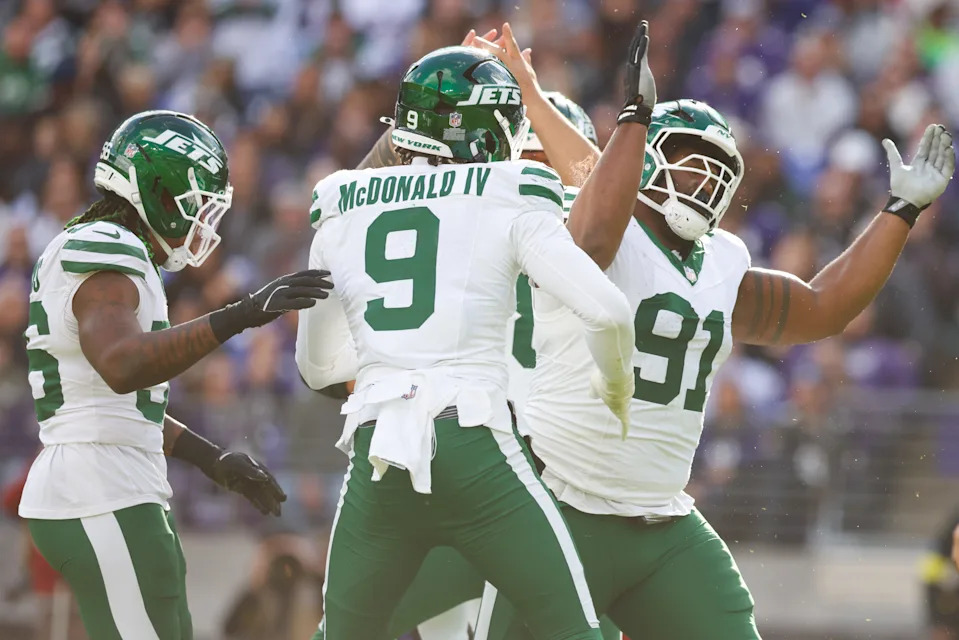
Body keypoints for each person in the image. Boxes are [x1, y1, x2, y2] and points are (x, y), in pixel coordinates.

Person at [476, 18, 956, 640]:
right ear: (645, 159)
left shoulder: (721, 263)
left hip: (661, 519)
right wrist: (630, 117)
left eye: (715, 168)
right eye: (688, 163)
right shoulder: (593, 226)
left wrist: (900, 211)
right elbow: (593, 228)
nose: (703, 180)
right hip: (558, 504)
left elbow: (823, 308)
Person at [295, 45, 637, 640]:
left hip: (379, 447)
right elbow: (609, 312)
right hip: (482, 443)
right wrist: (616, 387)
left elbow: (316, 366)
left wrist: (392, 364)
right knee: (573, 628)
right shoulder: (513, 195)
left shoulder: (340, 204)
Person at [19, 109, 333, 640]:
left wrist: (212, 459)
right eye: (195, 205)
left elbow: (116, 404)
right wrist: (241, 314)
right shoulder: (108, 247)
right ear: (158, 194)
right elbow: (122, 366)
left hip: (111, 480)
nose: (201, 222)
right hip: (102, 489)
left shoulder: (107, 249)